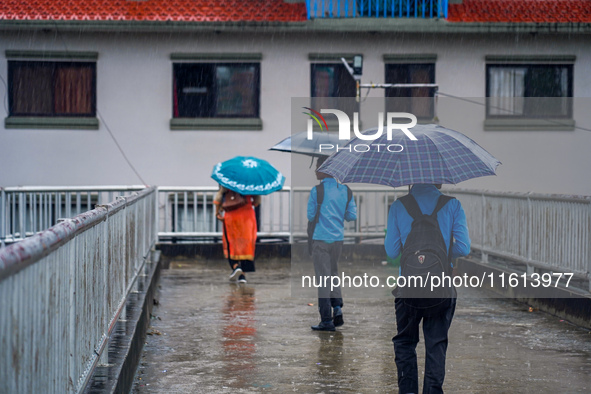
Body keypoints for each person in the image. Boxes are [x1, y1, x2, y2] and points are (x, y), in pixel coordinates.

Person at [385, 184, 470, 394]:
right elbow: (464, 247)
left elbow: (391, 250)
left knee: (405, 342)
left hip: (408, 288)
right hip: (440, 288)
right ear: (440, 179)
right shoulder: (453, 205)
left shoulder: (398, 206)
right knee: (436, 344)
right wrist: (444, 254)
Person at [307, 157, 357, 331]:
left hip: (321, 239)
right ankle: (337, 309)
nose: (314, 170)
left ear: (326, 168)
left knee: (323, 279)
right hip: (338, 240)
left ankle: (326, 320)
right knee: (333, 274)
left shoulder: (317, 191)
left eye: (317, 166)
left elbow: (311, 216)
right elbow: (351, 216)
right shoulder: (346, 191)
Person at [214, 186, 261, 284]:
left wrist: (217, 212)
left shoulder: (227, 181)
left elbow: (219, 197)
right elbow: (256, 202)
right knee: (246, 245)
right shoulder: (250, 182)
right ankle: (242, 275)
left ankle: (236, 267)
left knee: (231, 243)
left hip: (231, 216)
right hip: (247, 217)